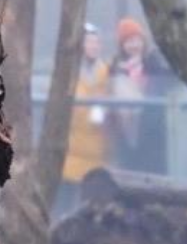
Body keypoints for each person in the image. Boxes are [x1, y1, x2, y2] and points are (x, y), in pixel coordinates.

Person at [60, 23, 113, 213]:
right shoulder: (67, 74)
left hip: (99, 149)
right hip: (72, 150)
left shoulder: (106, 73)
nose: (93, 46)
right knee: (68, 201)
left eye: (96, 42)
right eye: (89, 42)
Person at [108, 17, 171, 173]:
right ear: (122, 45)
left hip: (152, 131)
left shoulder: (153, 63)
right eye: (129, 41)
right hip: (126, 134)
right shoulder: (116, 68)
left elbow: (160, 89)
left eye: (137, 40)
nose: (134, 45)